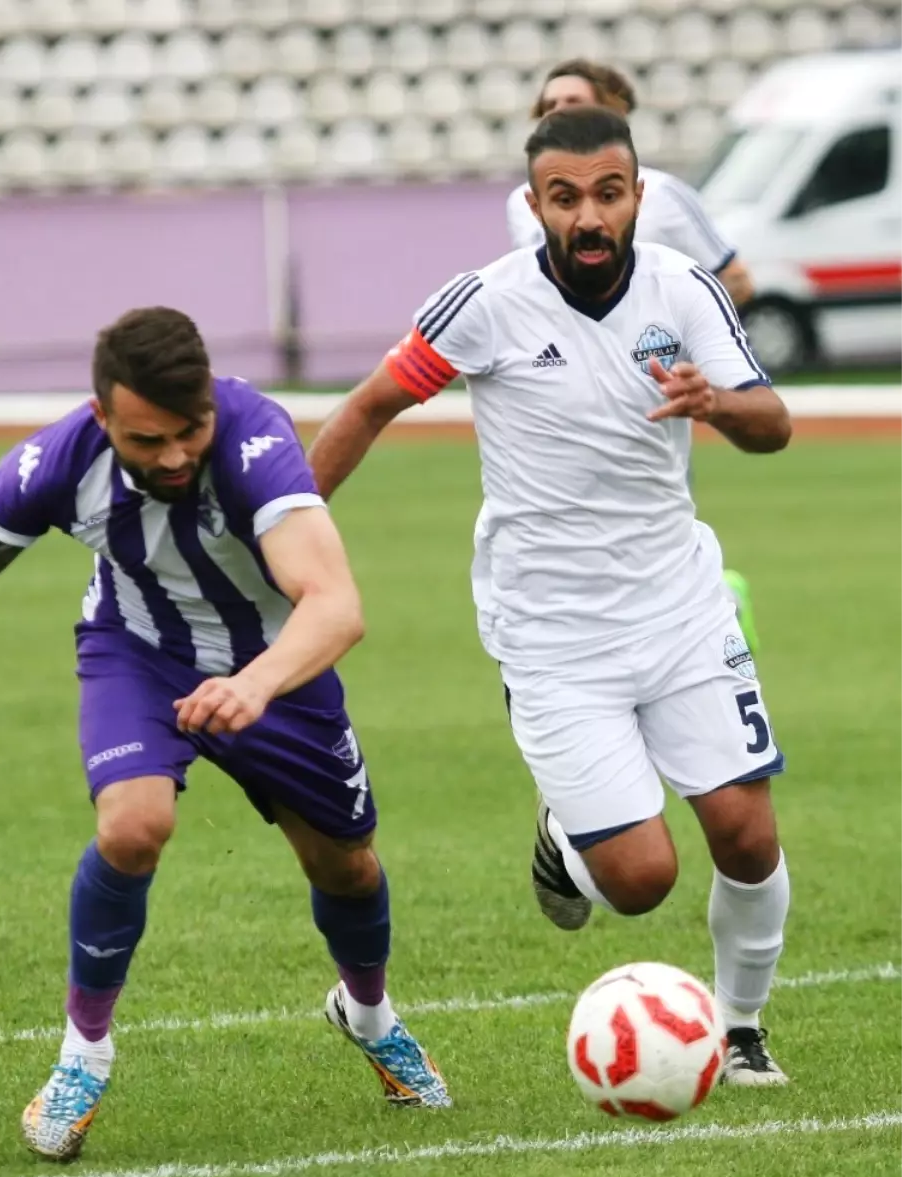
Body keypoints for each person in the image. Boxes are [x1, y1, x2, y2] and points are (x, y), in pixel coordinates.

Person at [0, 307, 450, 1164]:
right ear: (102, 418)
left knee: (347, 866)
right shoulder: (55, 464)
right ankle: (83, 1054)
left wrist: (252, 685)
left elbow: (336, 605)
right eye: (147, 439)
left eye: (189, 430)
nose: (173, 455)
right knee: (133, 826)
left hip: (273, 663)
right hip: (138, 653)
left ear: (211, 403)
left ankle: (369, 1016)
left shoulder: (255, 443)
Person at [307, 108, 792, 1087]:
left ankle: (739, 1030)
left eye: (608, 193)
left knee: (746, 833)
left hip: (682, 607)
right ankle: (568, 830)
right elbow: (370, 405)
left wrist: (717, 403)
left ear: (636, 196)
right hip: (553, 632)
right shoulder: (484, 303)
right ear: (535, 205)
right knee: (641, 881)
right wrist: (290, 536)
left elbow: (772, 423)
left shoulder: (682, 289)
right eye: (565, 197)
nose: (590, 215)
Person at [507, 58, 763, 653]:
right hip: (566, 392)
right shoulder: (520, 204)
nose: (558, 115)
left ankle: (716, 613)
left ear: (611, 111)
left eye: (572, 103)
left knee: (656, 529)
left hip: (650, 386)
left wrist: (692, 351)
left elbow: (738, 280)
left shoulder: (668, 196)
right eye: (547, 108)